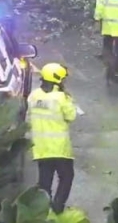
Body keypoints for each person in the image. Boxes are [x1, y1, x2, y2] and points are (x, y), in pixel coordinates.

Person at [27, 63, 77, 215]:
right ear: (57, 79)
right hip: (59, 148)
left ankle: (43, 212)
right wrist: (67, 97)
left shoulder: (34, 96)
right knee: (66, 177)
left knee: (44, 182)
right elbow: (71, 116)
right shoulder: (61, 97)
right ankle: (57, 208)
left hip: (40, 148)